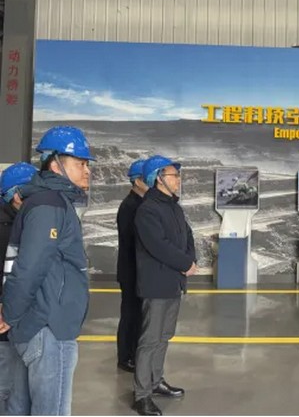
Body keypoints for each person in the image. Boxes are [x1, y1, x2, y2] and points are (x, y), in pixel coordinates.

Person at [0, 126, 95, 415]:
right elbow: (29, 266)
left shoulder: (45, 202)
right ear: (55, 164)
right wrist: (9, 313)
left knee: (20, 408)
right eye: (80, 163)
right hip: (49, 326)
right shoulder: (50, 205)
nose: (87, 171)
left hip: (37, 323)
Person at [133, 155, 197, 416]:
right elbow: (159, 246)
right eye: (174, 175)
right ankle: (142, 395)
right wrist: (184, 263)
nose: (178, 180)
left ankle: (155, 381)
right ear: (159, 178)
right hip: (156, 285)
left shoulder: (174, 207)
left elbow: (187, 235)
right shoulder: (147, 210)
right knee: (149, 340)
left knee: (164, 336)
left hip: (173, 283)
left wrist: (190, 260)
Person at [0, 162, 37, 415]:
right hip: (6, 324)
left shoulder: (17, 224)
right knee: (7, 389)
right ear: (17, 196)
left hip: (12, 321)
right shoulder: (8, 230)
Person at [116, 159, 149, 373]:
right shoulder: (130, 206)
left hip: (139, 270)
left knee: (139, 315)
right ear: (137, 181)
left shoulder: (141, 204)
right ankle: (126, 356)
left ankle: (134, 353)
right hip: (131, 270)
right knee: (131, 315)